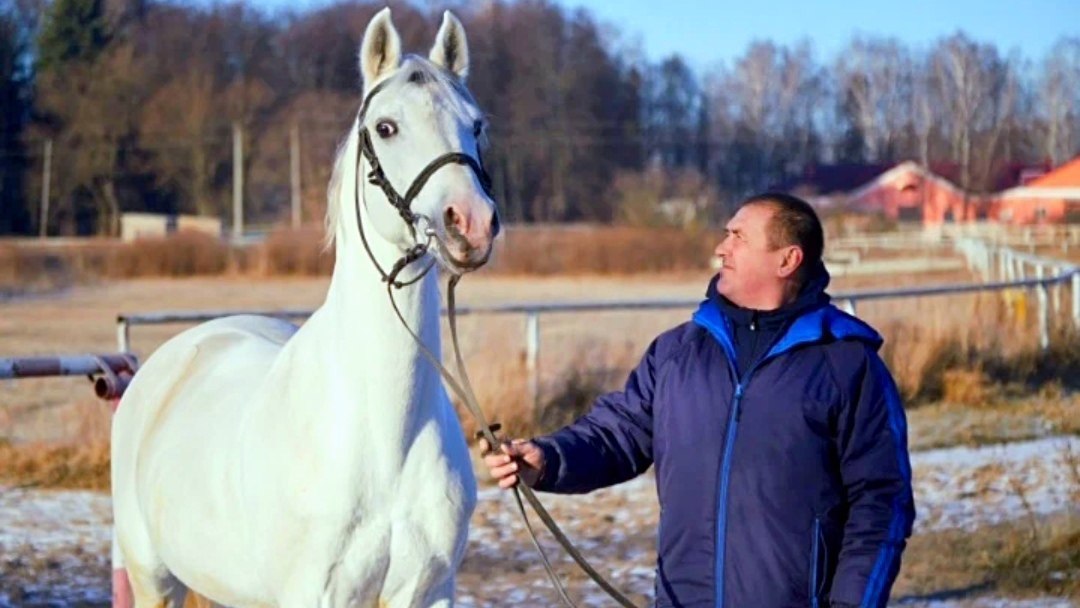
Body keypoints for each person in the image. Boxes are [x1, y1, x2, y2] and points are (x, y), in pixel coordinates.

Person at [480, 192, 915, 608]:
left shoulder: (846, 366)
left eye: (738, 237)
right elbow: (617, 434)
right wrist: (548, 459)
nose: (721, 248)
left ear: (787, 259)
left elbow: (881, 501)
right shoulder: (678, 353)